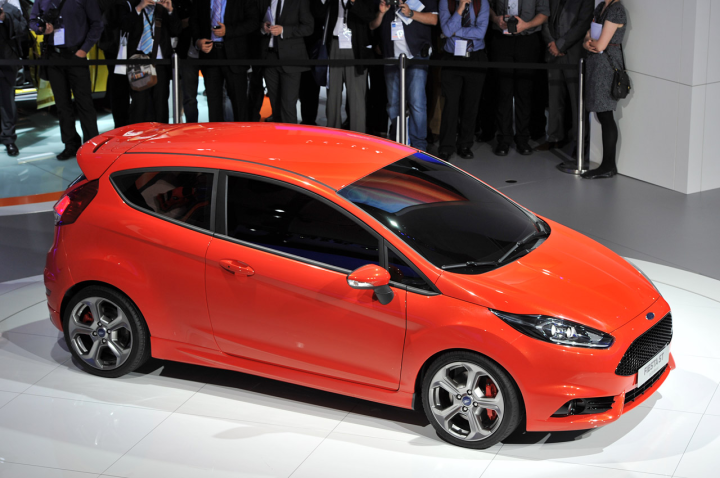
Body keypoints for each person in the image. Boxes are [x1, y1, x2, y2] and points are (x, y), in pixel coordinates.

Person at [30, 0, 103, 160]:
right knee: (62, 105)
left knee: (85, 103)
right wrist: (41, 29)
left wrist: (84, 50)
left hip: (76, 56)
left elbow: (97, 24)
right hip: (53, 57)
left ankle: (91, 146)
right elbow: (32, 21)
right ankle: (70, 144)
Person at [371, 0, 438, 151]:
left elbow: (434, 19)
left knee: (417, 102)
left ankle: (418, 145)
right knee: (393, 103)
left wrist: (411, 13)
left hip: (417, 53)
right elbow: (372, 25)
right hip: (390, 55)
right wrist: (381, 13)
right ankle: (397, 142)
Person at [487, 0, 549, 156]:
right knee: (503, 91)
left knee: (524, 92)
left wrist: (526, 25)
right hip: (501, 40)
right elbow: (487, 6)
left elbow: (544, 13)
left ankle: (522, 138)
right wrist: (495, 19)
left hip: (527, 40)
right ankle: (503, 139)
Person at [437, 0, 489, 161]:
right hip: (451, 58)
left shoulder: (482, 3)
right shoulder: (446, 2)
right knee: (450, 104)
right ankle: (446, 146)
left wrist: (454, 32)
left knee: (471, 104)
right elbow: (446, 30)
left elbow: (480, 33)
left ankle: (465, 145)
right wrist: (460, 9)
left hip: (475, 57)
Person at [539, 0, 592, 152]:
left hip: (574, 54)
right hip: (552, 52)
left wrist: (560, 45)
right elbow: (544, 18)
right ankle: (554, 138)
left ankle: (580, 143)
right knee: (554, 98)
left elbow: (583, 23)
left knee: (577, 101)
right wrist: (551, 43)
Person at [193, 0, 259, 123]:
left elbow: (253, 21)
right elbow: (194, 20)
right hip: (210, 54)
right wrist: (197, 42)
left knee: (239, 103)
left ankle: (241, 134)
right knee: (213, 104)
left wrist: (228, 30)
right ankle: (216, 134)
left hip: (235, 55)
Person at [581, 0, 626, 179]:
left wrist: (591, 43)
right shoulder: (601, 7)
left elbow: (600, 45)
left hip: (606, 67)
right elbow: (587, 38)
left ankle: (608, 165)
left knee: (606, 115)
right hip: (596, 64)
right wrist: (588, 43)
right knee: (602, 114)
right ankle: (607, 164)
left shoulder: (616, 10)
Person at [320, 0, 375, 132]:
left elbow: (369, 16)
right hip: (334, 43)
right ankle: (332, 132)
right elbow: (318, 13)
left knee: (357, 95)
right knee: (332, 94)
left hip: (356, 46)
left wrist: (353, 2)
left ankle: (358, 134)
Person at [121, 0, 179, 124]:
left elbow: (176, 30)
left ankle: (161, 133)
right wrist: (139, 7)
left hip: (160, 62)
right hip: (139, 62)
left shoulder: (163, 8)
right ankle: (139, 133)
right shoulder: (134, 6)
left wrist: (170, 10)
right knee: (139, 104)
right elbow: (125, 26)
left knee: (161, 103)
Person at [260, 0, 314, 124]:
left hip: (291, 59)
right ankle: (278, 135)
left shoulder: (299, 1)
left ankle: (290, 136)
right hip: (269, 57)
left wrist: (284, 30)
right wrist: (263, 27)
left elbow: (309, 27)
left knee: (288, 106)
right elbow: (256, 21)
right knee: (275, 105)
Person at [100, 0, 132, 129]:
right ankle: (121, 126)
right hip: (114, 46)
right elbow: (108, 18)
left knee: (139, 88)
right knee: (118, 87)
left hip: (134, 44)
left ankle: (134, 124)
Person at [0, 1, 25, 156]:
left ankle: (9, 139)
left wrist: (5, 19)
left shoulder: (11, 8)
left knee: (6, 102)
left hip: (6, 61)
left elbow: (22, 28)